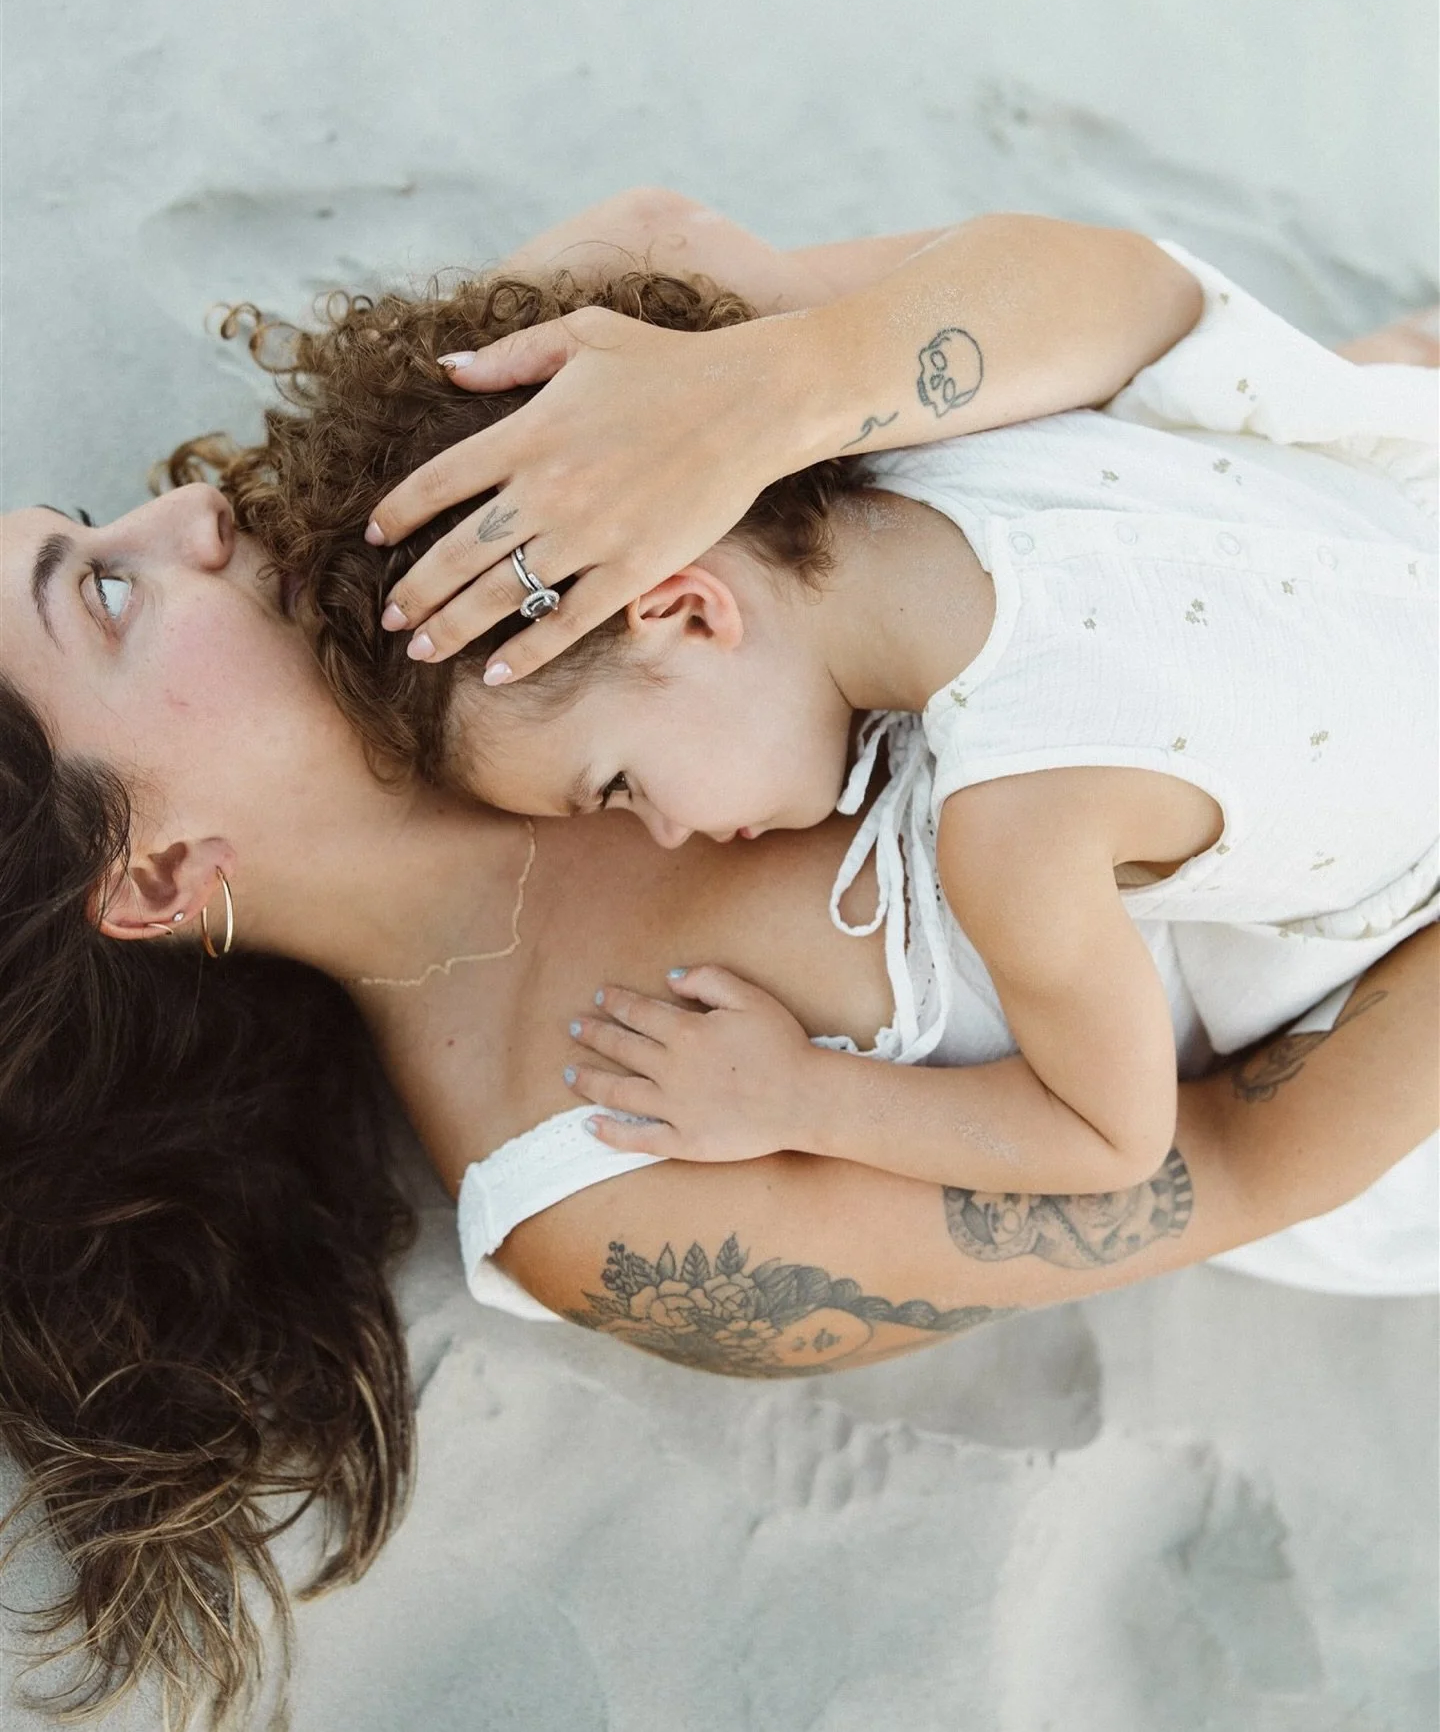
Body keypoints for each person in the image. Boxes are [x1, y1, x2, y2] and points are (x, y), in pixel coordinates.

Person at [0, 194, 1434, 1727]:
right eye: (102, 588)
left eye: (99, 518)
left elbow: (1140, 312)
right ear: (154, 874)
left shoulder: (471, 483)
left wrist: (795, 381)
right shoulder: (593, 1182)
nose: (191, 511)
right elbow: (1244, 1163)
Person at [400, 242, 1437, 1197]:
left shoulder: (1018, 824)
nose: (666, 835)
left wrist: (799, 1097)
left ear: (686, 611)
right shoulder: (948, 414)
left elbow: (1110, 1135)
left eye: (618, 787)